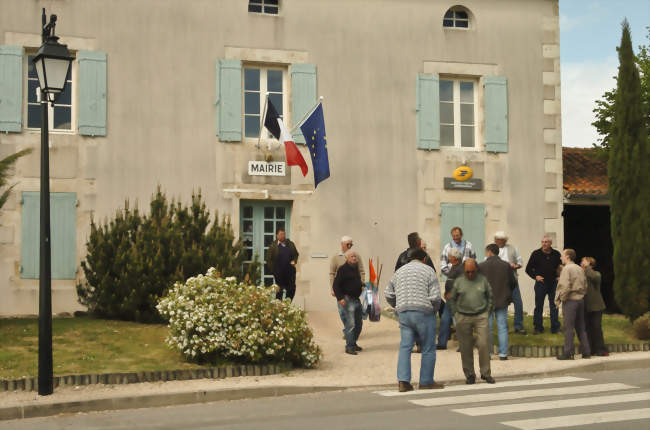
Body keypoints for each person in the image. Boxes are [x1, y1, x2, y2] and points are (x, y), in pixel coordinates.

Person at [384, 249, 443, 392]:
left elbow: (388, 293)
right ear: (424, 259)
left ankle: (403, 382)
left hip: (404, 313)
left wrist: (397, 305)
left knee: (405, 347)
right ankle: (426, 381)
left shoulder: (399, 272)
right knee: (428, 348)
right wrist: (434, 310)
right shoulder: (429, 271)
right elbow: (435, 297)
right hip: (424, 312)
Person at [449, 259, 495, 384]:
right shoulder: (459, 282)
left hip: (481, 316)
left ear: (476, 269)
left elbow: (490, 296)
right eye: (467, 272)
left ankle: (486, 373)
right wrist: (456, 314)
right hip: (463, 316)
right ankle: (469, 374)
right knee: (465, 346)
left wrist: (487, 311)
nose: (470, 274)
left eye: (472, 272)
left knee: (484, 344)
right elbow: (452, 299)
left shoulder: (482, 280)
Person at [479, 244, 516, 360]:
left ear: (489, 252)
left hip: (486, 300)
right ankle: (503, 354)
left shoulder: (482, 266)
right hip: (502, 298)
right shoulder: (506, 266)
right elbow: (513, 282)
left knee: (487, 327)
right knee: (502, 327)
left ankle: (488, 353)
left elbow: (478, 283)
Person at [555, 249, 591, 360]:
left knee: (568, 327)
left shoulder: (567, 269)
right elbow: (585, 284)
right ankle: (586, 351)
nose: (561, 258)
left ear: (568, 257)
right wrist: (581, 295)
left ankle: (568, 353)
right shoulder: (580, 268)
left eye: (562, 255)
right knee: (581, 327)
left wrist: (560, 299)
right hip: (580, 299)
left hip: (570, 300)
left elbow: (565, 286)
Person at [525, 235, 562, 334]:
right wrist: (535, 276)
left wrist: (559, 276)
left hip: (553, 283)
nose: (544, 244)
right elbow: (528, 269)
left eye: (546, 242)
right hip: (541, 284)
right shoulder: (536, 254)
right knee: (539, 306)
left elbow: (560, 266)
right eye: (542, 242)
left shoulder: (556, 254)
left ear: (550, 243)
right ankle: (538, 327)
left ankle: (555, 328)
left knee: (554, 305)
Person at [330, 236, 365, 336]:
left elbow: (361, 271)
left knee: (352, 314)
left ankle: (349, 332)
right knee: (342, 313)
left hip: (352, 291)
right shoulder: (336, 257)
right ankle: (349, 330)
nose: (349, 246)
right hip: (340, 289)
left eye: (351, 244)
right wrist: (332, 288)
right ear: (342, 244)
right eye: (347, 244)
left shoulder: (355, 256)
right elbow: (332, 273)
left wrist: (361, 284)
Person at [494, 231, 526, 334]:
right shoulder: (492, 249)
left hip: (512, 280)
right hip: (499, 282)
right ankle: (503, 327)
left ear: (505, 240)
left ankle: (518, 326)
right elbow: (488, 262)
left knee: (518, 303)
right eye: (498, 240)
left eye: (502, 240)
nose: (499, 242)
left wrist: (514, 265)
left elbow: (520, 262)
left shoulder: (512, 248)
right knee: (502, 304)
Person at [332, 250, 364, 355]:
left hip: (356, 299)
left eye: (355, 256)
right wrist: (340, 298)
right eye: (352, 256)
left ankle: (353, 343)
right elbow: (336, 285)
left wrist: (362, 285)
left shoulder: (355, 269)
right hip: (347, 299)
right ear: (347, 258)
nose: (354, 258)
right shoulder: (342, 269)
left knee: (359, 323)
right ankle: (349, 347)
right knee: (351, 324)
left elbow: (357, 281)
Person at [437, 247, 463, 350]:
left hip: (455, 300)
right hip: (449, 300)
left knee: (458, 322)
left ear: (454, 258)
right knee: (444, 320)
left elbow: (460, 284)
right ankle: (442, 343)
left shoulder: (460, 268)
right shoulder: (453, 267)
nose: (448, 257)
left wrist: (451, 294)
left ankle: (463, 344)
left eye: (450, 256)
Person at [582, 257, 608, 357]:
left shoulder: (596, 273)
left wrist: (587, 267)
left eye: (583, 261)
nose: (581, 263)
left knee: (596, 327)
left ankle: (601, 349)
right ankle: (591, 349)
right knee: (587, 328)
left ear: (589, 263)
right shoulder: (583, 273)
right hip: (585, 306)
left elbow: (594, 278)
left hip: (597, 306)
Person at [265, 228, 299, 301]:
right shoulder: (273, 246)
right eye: (281, 234)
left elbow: (296, 254)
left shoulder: (290, 244)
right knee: (279, 291)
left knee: (291, 289)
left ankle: (287, 304)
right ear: (277, 235)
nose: (283, 236)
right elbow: (268, 259)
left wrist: (294, 261)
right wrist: (273, 271)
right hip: (279, 273)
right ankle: (279, 307)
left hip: (290, 273)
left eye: (284, 234)